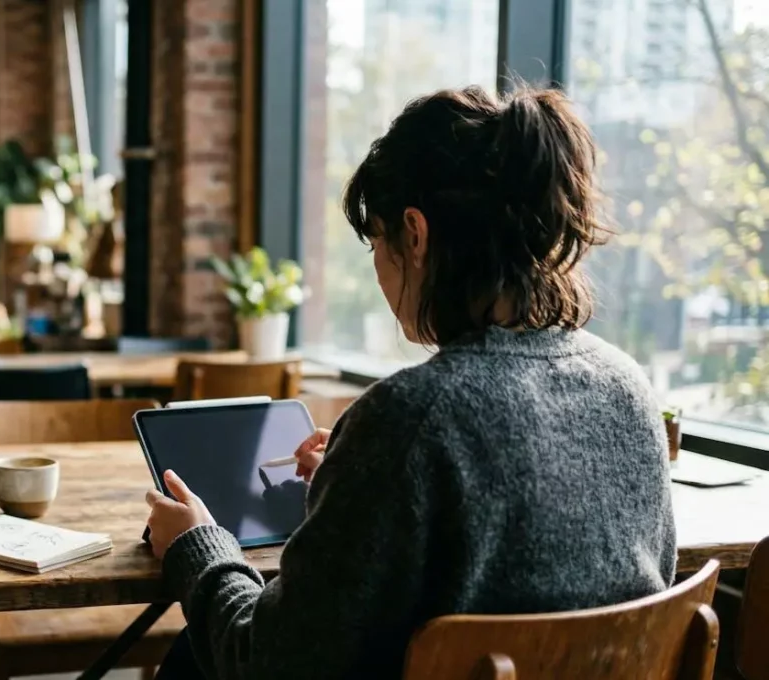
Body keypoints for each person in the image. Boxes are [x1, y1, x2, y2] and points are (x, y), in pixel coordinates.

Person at [144, 86, 677, 679]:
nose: (377, 265)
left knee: (192, 661)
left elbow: (266, 664)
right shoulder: (628, 389)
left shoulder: (410, 417)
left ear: (415, 235)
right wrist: (357, 486)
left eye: (377, 241)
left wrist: (198, 544)